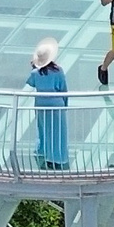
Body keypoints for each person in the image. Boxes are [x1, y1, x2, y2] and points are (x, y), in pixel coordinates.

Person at [27, 38, 69, 170]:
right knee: (58, 131)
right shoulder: (58, 71)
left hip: (41, 103)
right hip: (56, 103)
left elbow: (31, 82)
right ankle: (58, 157)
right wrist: (65, 104)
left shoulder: (35, 73)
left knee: (44, 129)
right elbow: (63, 89)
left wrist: (34, 67)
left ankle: (45, 154)